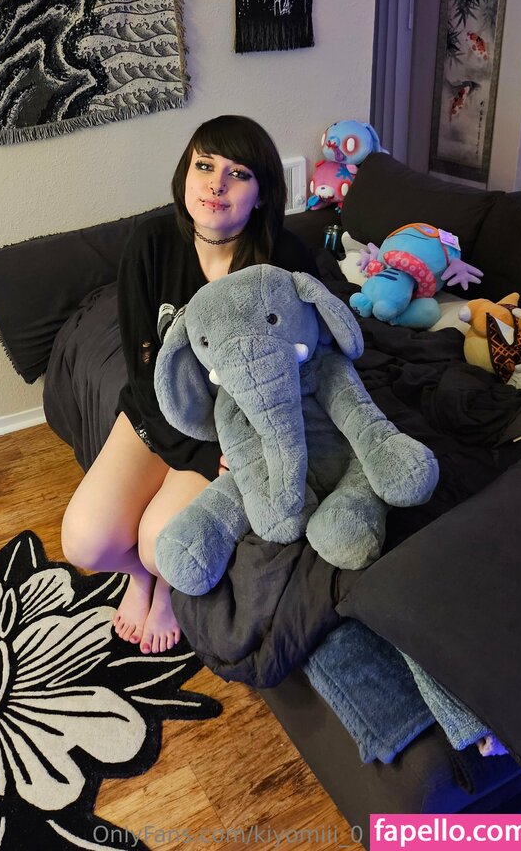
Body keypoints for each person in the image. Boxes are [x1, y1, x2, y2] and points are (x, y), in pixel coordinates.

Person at [61, 115, 318, 655]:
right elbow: (141, 367)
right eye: (205, 165)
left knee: (159, 544)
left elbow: (301, 364)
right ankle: (139, 579)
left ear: (263, 194)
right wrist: (193, 457)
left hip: (226, 429)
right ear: (186, 173)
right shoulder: (151, 243)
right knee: (85, 543)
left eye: (238, 173)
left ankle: (162, 591)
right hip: (156, 414)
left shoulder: (285, 262)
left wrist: (231, 449)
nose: (216, 184)